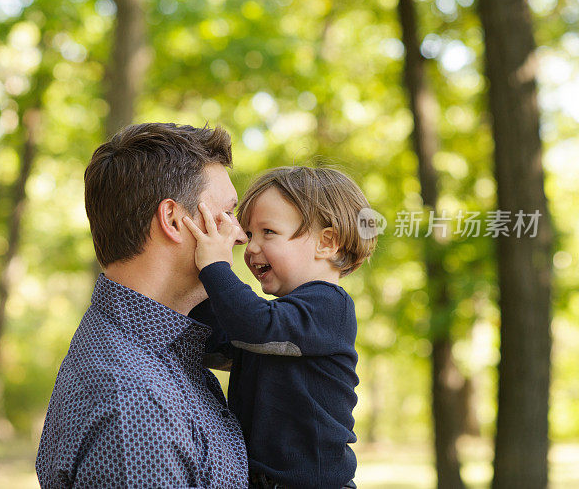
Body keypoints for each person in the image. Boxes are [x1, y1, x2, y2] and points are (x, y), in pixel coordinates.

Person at [35, 123, 251, 488]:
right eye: (227, 215)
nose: (242, 236)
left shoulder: (156, 355)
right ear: (172, 220)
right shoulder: (135, 401)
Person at [183, 166, 377, 489]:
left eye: (268, 232)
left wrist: (214, 267)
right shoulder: (275, 326)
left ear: (326, 243)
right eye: (248, 234)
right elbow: (216, 340)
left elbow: (255, 326)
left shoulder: (330, 307)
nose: (251, 247)